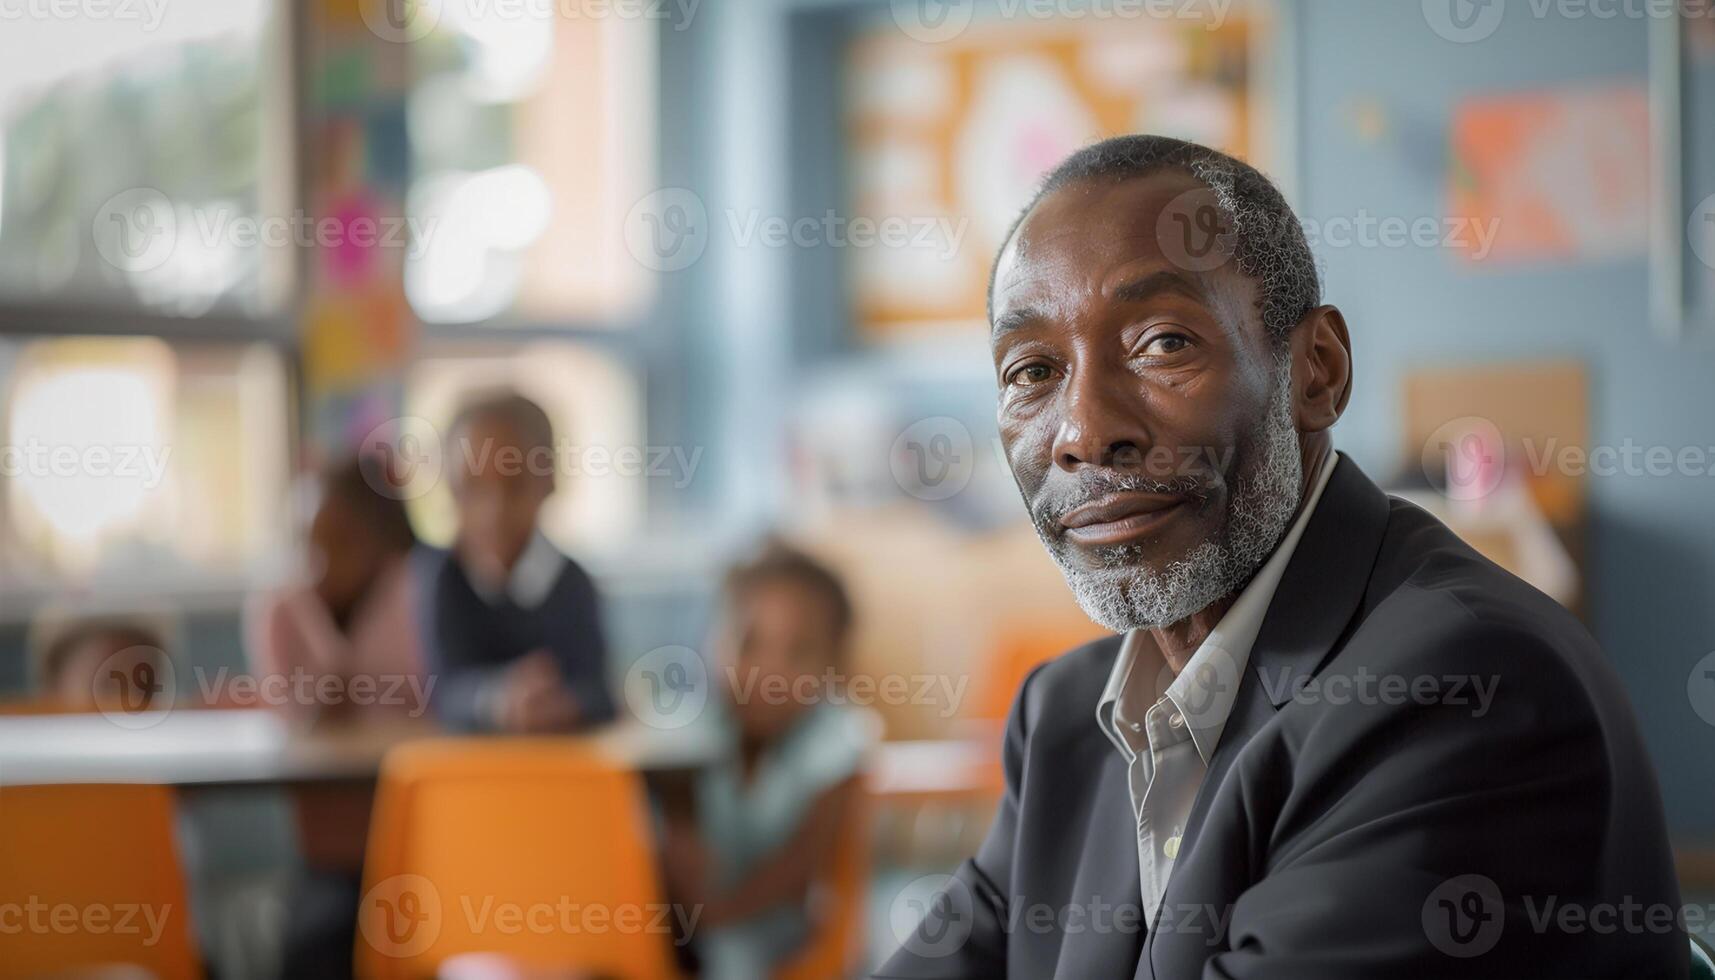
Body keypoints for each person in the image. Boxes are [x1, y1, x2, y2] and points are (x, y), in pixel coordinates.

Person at [876, 136, 1685, 978]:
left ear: (1317, 372)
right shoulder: (1067, 718)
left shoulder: (1462, 688)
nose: (1082, 432)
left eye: (1161, 343)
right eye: (1033, 369)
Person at [661, 542, 870, 980]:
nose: (769, 671)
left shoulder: (835, 742)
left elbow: (798, 867)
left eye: (798, 652)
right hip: (678, 916)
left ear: (836, 667)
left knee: (735, 950)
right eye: (748, 641)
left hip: (771, 921)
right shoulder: (689, 728)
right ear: (714, 641)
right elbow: (671, 835)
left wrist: (720, 915)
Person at [420, 390, 615, 733]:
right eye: (474, 487)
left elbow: (600, 692)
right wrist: (500, 697)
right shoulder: (442, 578)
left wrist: (562, 703)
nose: (495, 510)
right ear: (450, 490)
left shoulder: (573, 584)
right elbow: (444, 691)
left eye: (515, 485)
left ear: (550, 482)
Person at [247, 454, 427, 720]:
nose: (324, 562)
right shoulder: (282, 611)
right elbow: (286, 717)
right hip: (314, 762)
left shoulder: (415, 592)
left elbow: (434, 702)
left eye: (342, 542)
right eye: (313, 543)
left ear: (379, 538)